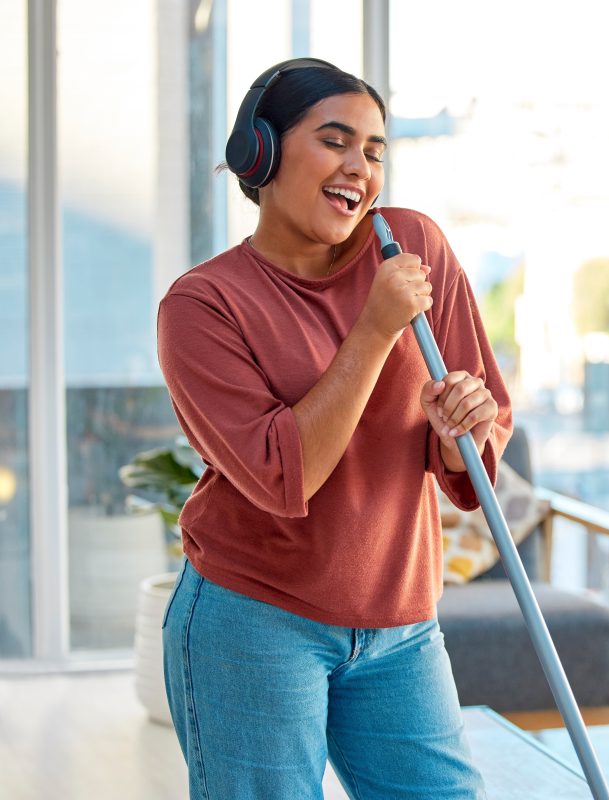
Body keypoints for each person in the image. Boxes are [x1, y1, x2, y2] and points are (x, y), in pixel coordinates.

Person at [156, 58, 511, 799]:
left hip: (401, 623)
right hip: (254, 620)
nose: (361, 168)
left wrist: (458, 432)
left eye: (376, 150)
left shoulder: (412, 248)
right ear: (261, 152)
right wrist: (375, 330)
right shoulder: (202, 307)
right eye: (336, 141)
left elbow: (476, 437)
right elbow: (286, 476)